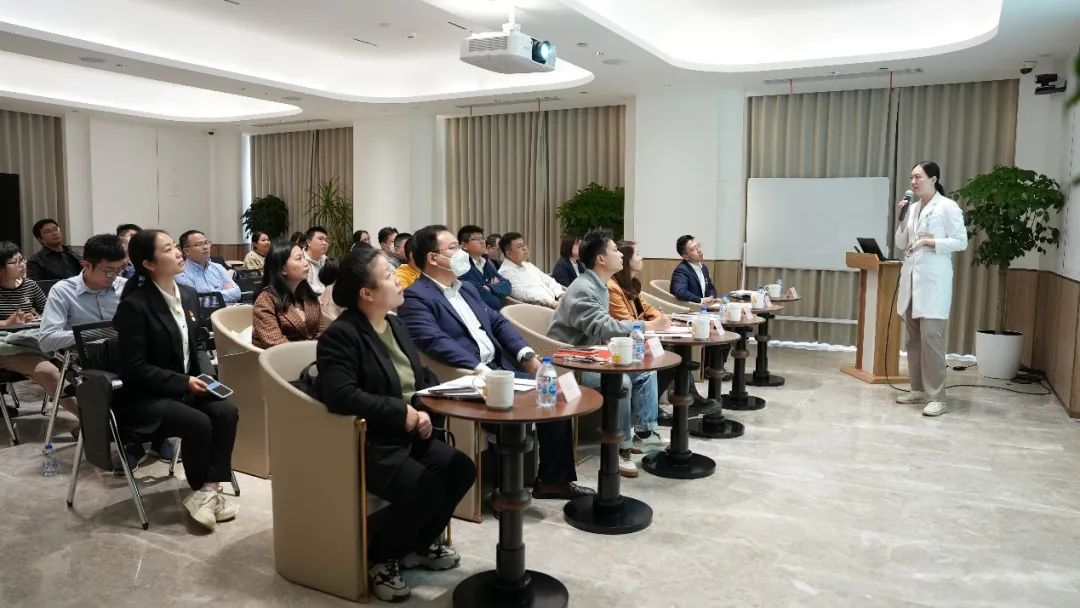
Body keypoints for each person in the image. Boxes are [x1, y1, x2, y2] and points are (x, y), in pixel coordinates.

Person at [318, 246, 475, 603]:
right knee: (426, 489)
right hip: (373, 441)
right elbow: (340, 394)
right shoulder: (342, 335)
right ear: (367, 292)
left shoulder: (396, 324)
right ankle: (382, 558)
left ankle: (418, 545)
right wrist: (400, 412)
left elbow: (419, 377)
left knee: (461, 470)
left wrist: (431, 403)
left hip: (409, 433)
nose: (400, 280)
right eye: (389, 276)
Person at [398, 225, 591, 499]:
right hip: (467, 378)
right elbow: (435, 342)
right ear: (433, 258)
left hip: (501, 369)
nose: (462, 252)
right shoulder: (416, 297)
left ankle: (551, 479)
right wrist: (480, 370)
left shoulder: (466, 289)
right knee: (551, 398)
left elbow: (498, 323)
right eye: (453, 247)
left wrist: (527, 356)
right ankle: (530, 486)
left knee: (554, 393)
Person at [113, 229, 240, 532]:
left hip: (185, 388)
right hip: (145, 397)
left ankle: (208, 490)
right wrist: (183, 383)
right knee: (199, 422)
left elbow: (198, 345)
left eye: (175, 247)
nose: (178, 253)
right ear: (149, 263)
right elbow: (134, 368)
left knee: (227, 412)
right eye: (168, 249)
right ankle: (202, 491)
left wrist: (206, 378)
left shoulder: (188, 294)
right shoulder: (135, 305)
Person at [547, 229, 671, 477]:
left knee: (645, 372)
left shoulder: (599, 284)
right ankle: (619, 448)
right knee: (621, 381)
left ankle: (644, 432)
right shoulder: (583, 288)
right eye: (615, 250)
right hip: (570, 362)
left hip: (593, 355)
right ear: (601, 259)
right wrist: (646, 326)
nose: (621, 255)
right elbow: (603, 326)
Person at [609, 241, 718, 419]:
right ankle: (662, 407)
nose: (642, 257)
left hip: (639, 337)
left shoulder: (631, 283)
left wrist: (662, 319)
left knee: (674, 357)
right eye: (637, 254)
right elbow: (626, 322)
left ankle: (678, 402)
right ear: (627, 260)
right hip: (625, 344)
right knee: (671, 359)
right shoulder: (613, 287)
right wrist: (654, 324)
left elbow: (646, 308)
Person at [894, 160, 968, 417]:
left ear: (934, 179)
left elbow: (961, 242)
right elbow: (901, 243)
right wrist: (902, 220)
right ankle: (917, 389)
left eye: (918, 177)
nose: (913, 182)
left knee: (931, 339)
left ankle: (937, 397)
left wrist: (931, 242)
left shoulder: (947, 207)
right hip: (912, 281)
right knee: (913, 339)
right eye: (911, 177)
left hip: (934, 283)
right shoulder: (913, 208)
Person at [0, 241, 77, 418]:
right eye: (15, 262)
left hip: (30, 340)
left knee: (74, 363)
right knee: (48, 371)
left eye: (22, 259)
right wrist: (6, 323)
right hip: (6, 347)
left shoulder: (29, 285)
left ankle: (95, 416)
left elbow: (50, 313)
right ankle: (91, 421)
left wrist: (34, 319)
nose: (22, 264)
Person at [38, 234, 128, 354]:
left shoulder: (126, 286)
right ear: (86, 265)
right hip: (86, 359)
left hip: (127, 354)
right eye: (109, 271)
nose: (115, 276)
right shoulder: (63, 291)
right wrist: (99, 332)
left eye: (120, 269)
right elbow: (46, 340)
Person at [252, 242, 326, 348]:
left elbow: (321, 333)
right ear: (283, 269)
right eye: (299, 259)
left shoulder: (307, 294)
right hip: (278, 357)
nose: (306, 263)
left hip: (312, 354)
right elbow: (276, 344)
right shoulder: (265, 300)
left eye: (304, 257)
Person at [497, 232, 564, 308]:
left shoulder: (528, 265)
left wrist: (560, 295)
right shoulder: (505, 272)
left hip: (555, 302)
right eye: (519, 246)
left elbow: (549, 280)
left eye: (524, 244)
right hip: (539, 308)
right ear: (509, 254)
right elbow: (523, 294)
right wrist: (552, 302)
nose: (525, 249)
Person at [176, 230, 240, 304]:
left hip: (228, 310)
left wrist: (207, 296)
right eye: (199, 244)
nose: (205, 247)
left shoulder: (218, 267)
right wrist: (224, 293)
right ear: (186, 251)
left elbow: (237, 293)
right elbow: (195, 301)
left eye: (206, 243)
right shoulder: (181, 273)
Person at [457, 225, 511, 310]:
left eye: (482, 238)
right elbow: (493, 302)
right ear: (464, 246)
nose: (482, 242)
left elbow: (507, 285)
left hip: (494, 313)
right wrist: (496, 290)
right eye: (477, 239)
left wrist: (490, 287)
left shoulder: (485, 262)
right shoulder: (461, 267)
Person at [670, 235, 718, 305]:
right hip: (690, 309)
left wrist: (711, 298)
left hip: (704, 308)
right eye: (693, 249)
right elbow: (680, 292)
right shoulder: (681, 270)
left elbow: (711, 288)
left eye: (698, 246)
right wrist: (701, 300)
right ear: (685, 257)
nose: (699, 250)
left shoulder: (704, 268)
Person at [304, 226, 330, 295]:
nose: (324, 243)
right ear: (309, 242)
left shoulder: (327, 261)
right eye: (320, 239)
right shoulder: (301, 260)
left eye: (326, 240)